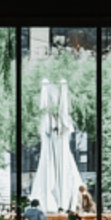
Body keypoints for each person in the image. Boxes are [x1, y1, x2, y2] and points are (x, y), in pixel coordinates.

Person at [28, 78, 84, 212]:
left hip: (59, 146)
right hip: (53, 146)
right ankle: (59, 203)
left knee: (61, 171)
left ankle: (62, 203)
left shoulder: (59, 122)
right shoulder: (50, 122)